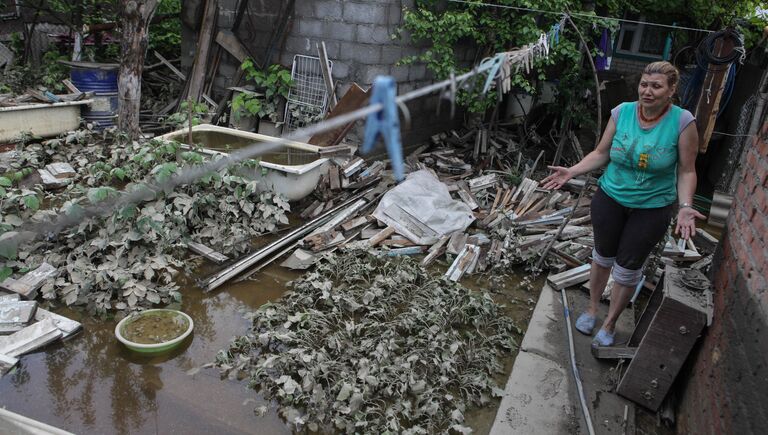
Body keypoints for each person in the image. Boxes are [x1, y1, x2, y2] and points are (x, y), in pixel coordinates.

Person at [541, 61, 705, 347]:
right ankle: (592, 309)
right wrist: (573, 170)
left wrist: (685, 205)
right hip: (610, 198)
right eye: (644, 84)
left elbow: (687, 170)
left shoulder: (682, 122)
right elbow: (601, 153)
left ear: (671, 90)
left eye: (656, 86)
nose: (648, 91)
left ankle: (610, 322)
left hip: (652, 207)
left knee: (628, 268)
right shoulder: (622, 112)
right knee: (602, 256)